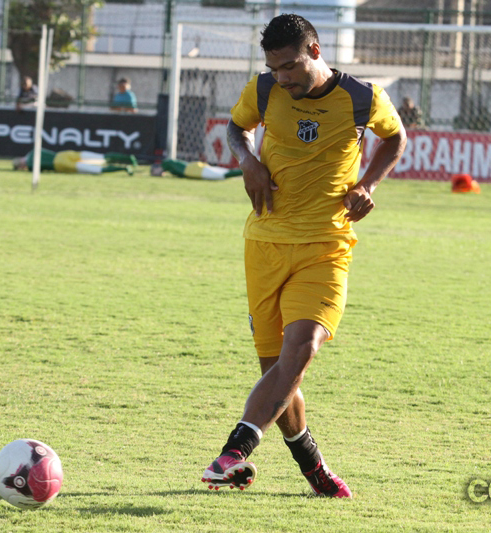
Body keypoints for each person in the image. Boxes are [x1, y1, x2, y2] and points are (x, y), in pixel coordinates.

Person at [201, 14, 406, 497]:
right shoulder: (265, 89)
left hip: (327, 245)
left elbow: (395, 137)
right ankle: (315, 470)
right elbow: (236, 128)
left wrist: (368, 184)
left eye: (290, 66)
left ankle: (234, 451)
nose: (283, 77)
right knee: (278, 374)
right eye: (275, 68)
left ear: (314, 51)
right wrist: (247, 161)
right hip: (265, 244)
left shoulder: (362, 97)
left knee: (304, 347)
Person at [12, 148, 136, 174]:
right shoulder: (33, 151)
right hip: (63, 154)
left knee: (95, 169)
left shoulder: (30, 165)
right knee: (99, 157)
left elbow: (32, 166)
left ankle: (124, 168)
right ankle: (128, 159)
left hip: (60, 164)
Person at [160, 159, 243, 180]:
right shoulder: (173, 170)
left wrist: (161, 168)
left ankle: (246, 171)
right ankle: (245, 171)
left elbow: (168, 161)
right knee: (224, 172)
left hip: (198, 171)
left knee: (222, 175)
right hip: (198, 169)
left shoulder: (167, 164)